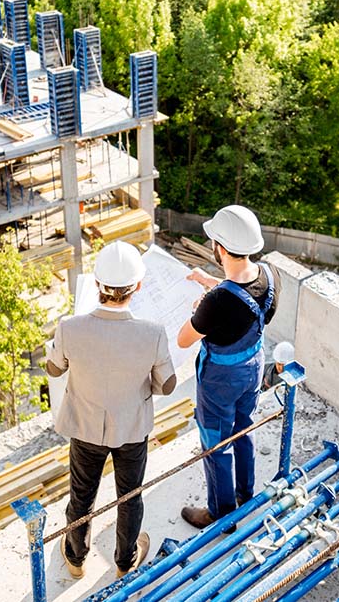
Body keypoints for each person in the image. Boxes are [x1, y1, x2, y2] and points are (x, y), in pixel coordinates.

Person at [46, 242, 176, 579]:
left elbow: (54, 369)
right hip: (132, 428)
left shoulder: (69, 327)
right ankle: (124, 562)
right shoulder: (153, 333)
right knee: (130, 497)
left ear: (97, 285)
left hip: (85, 428)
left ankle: (76, 559)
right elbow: (168, 385)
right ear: (138, 287)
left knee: (81, 494)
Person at [176, 205, 279, 529]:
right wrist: (212, 283)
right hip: (252, 369)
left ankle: (221, 513)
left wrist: (200, 307)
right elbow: (241, 295)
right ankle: (245, 495)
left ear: (219, 248)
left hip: (220, 380)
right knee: (242, 428)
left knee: (216, 442)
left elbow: (183, 339)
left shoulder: (217, 301)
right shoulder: (269, 277)